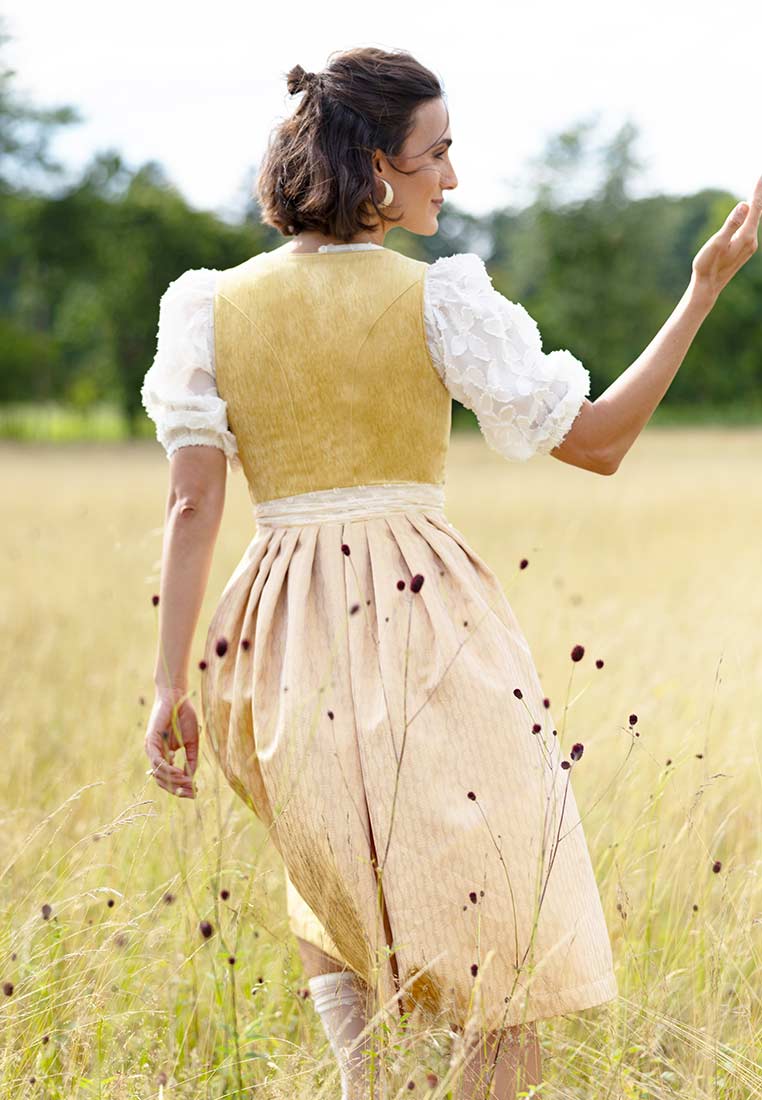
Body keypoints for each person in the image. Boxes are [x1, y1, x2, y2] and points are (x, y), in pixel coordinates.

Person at [140, 45, 761, 1100]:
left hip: (274, 625)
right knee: (506, 916)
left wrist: (168, 684)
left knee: (336, 870)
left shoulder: (208, 306)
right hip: (422, 614)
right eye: (437, 153)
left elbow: (192, 504)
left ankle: (365, 1084)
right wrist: (702, 291)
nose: (454, 177)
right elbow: (600, 441)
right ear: (375, 165)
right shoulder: (437, 300)